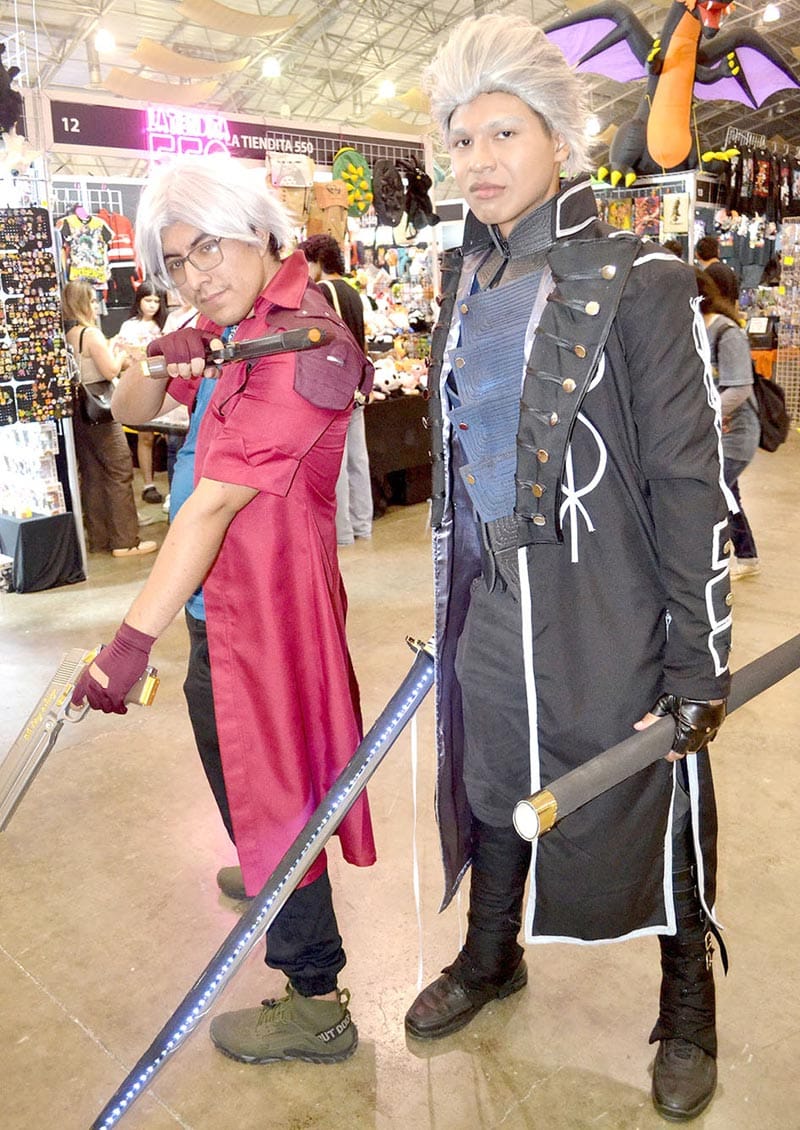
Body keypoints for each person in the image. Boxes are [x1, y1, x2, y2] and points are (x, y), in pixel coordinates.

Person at [404, 14, 733, 1125]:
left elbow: (688, 481)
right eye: (461, 140)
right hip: (494, 600)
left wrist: (698, 658)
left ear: (558, 137)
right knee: (495, 776)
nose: (478, 161)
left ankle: (686, 1005)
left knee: (655, 785)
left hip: (611, 605)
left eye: (504, 133)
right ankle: (490, 951)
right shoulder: (465, 277)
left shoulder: (639, 278)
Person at [72, 154, 376, 1066]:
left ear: (259, 230)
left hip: (272, 613)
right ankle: (267, 851)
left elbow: (210, 505)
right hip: (216, 608)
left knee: (282, 788)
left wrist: (130, 642)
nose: (197, 274)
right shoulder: (229, 325)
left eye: (209, 246)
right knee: (242, 770)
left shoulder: (304, 342)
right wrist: (154, 356)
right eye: (177, 261)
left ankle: (316, 1000)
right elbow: (130, 408)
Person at [61, 280, 157, 559]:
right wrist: (121, 352)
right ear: (83, 303)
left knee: (91, 473)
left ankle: (99, 538)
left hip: (79, 412)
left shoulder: (68, 335)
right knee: (119, 469)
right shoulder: (90, 334)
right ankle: (125, 540)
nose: (96, 306)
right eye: (92, 301)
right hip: (101, 412)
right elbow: (110, 370)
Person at [299, 234, 373, 546]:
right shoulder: (352, 291)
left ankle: (342, 533)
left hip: (334, 387)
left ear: (318, 260)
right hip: (356, 383)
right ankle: (363, 525)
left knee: (336, 462)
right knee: (358, 459)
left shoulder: (322, 291)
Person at [696, 269, 761, 578]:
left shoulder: (726, 333)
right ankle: (747, 557)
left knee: (713, 493)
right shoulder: (697, 329)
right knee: (726, 492)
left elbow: (740, 388)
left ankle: (712, 562)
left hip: (736, 434)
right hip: (716, 433)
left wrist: (705, 413)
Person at [115, 279, 168, 504]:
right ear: (139, 301)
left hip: (167, 385)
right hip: (141, 385)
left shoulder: (166, 325)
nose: (152, 305)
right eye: (148, 300)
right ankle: (148, 484)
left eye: (156, 300)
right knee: (145, 436)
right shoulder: (129, 326)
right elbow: (122, 360)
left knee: (172, 438)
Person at [695, 235, 740, 307]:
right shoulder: (729, 270)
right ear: (718, 252)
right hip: (729, 312)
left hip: (715, 312)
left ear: (697, 254)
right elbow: (736, 301)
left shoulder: (707, 274)